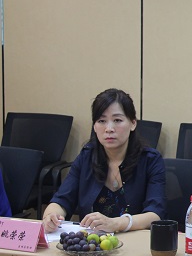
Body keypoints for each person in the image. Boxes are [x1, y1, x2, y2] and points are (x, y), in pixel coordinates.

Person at [42, 88, 166, 233]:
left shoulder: (150, 160)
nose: (109, 129)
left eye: (117, 120)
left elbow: (155, 213)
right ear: (94, 126)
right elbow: (62, 200)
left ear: (133, 123)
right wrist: (51, 216)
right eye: (101, 121)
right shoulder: (87, 156)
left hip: (135, 240)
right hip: (92, 243)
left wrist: (116, 224)